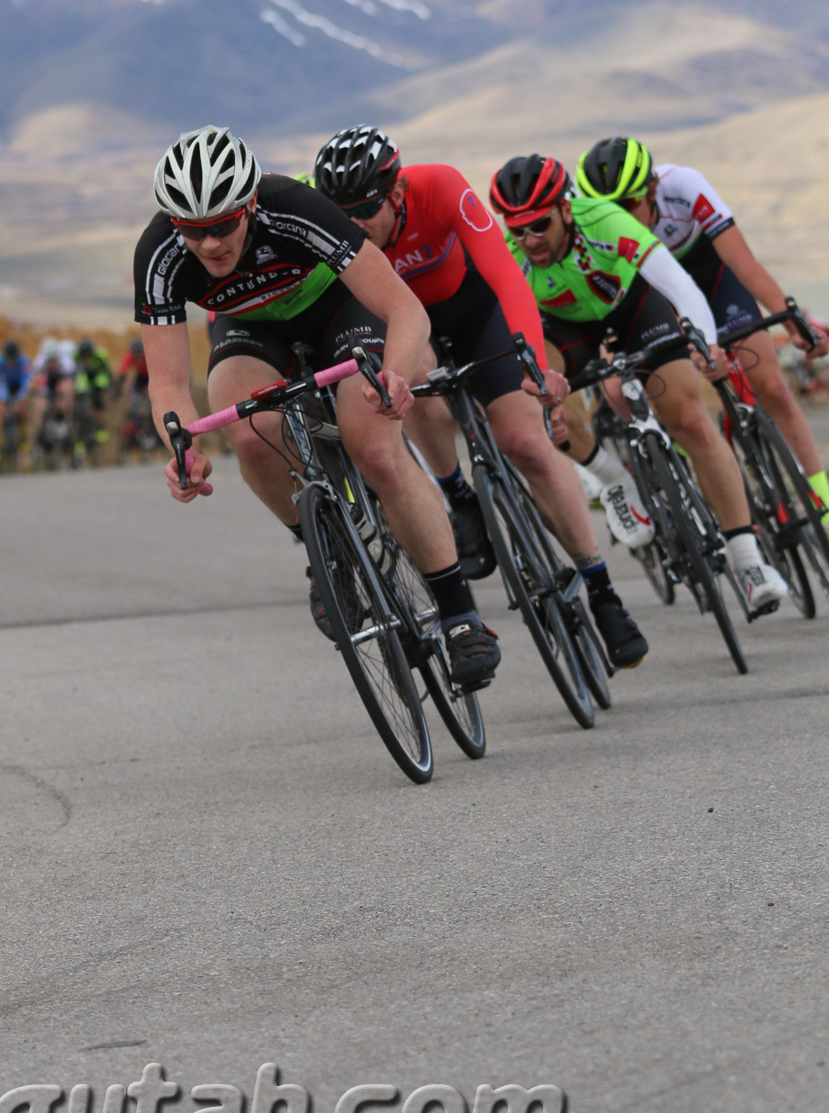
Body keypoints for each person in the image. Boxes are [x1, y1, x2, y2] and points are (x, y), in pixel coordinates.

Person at [135, 125, 501, 690]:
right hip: (253, 331)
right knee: (250, 430)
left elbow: (405, 311)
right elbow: (167, 385)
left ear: (250, 204)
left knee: (375, 445)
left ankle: (459, 615)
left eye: (223, 226)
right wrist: (182, 448)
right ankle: (323, 550)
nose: (209, 245)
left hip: (341, 310)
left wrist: (395, 377)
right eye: (192, 231)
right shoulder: (157, 255)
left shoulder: (295, 208)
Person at [314, 128, 648, 669]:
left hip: (476, 311)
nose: (353, 224)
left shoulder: (441, 187)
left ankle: (601, 586)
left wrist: (536, 366)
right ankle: (458, 495)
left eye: (366, 208)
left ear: (397, 193)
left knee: (527, 444)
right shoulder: (337, 230)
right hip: (404, 326)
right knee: (410, 379)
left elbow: (506, 277)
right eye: (341, 212)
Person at [490, 155, 787, 616]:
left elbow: (678, 284)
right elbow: (517, 333)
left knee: (688, 418)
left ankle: (748, 562)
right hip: (567, 327)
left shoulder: (604, 221)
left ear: (566, 210)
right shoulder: (511, 255)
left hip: (635, 307)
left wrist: (705, 343)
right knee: (541, 398)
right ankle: (613, 480)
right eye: (518, 230)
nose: (529, 241)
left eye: (539, 226)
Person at [577, 137, 829, 532]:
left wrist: (791, 320)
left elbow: (742, 262)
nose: (618, 215)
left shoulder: (684, 186)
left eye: (627, 204)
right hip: (650, 294)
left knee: (771, 385)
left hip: (712, 274)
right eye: (608, 209)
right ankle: (686, 465)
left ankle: (823, 502)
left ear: (652, 189)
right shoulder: (591, 222)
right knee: (639, 392)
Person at [0, 339, 33, 443]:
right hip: (5, 386)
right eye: (8, 359)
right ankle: (0, 437)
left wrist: (23, 397)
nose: (11, 362)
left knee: (20, 410)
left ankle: (23, 433)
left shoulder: (24, 361)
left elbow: (26, 380)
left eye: (13, 359)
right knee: (1, 409)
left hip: (19, 385)